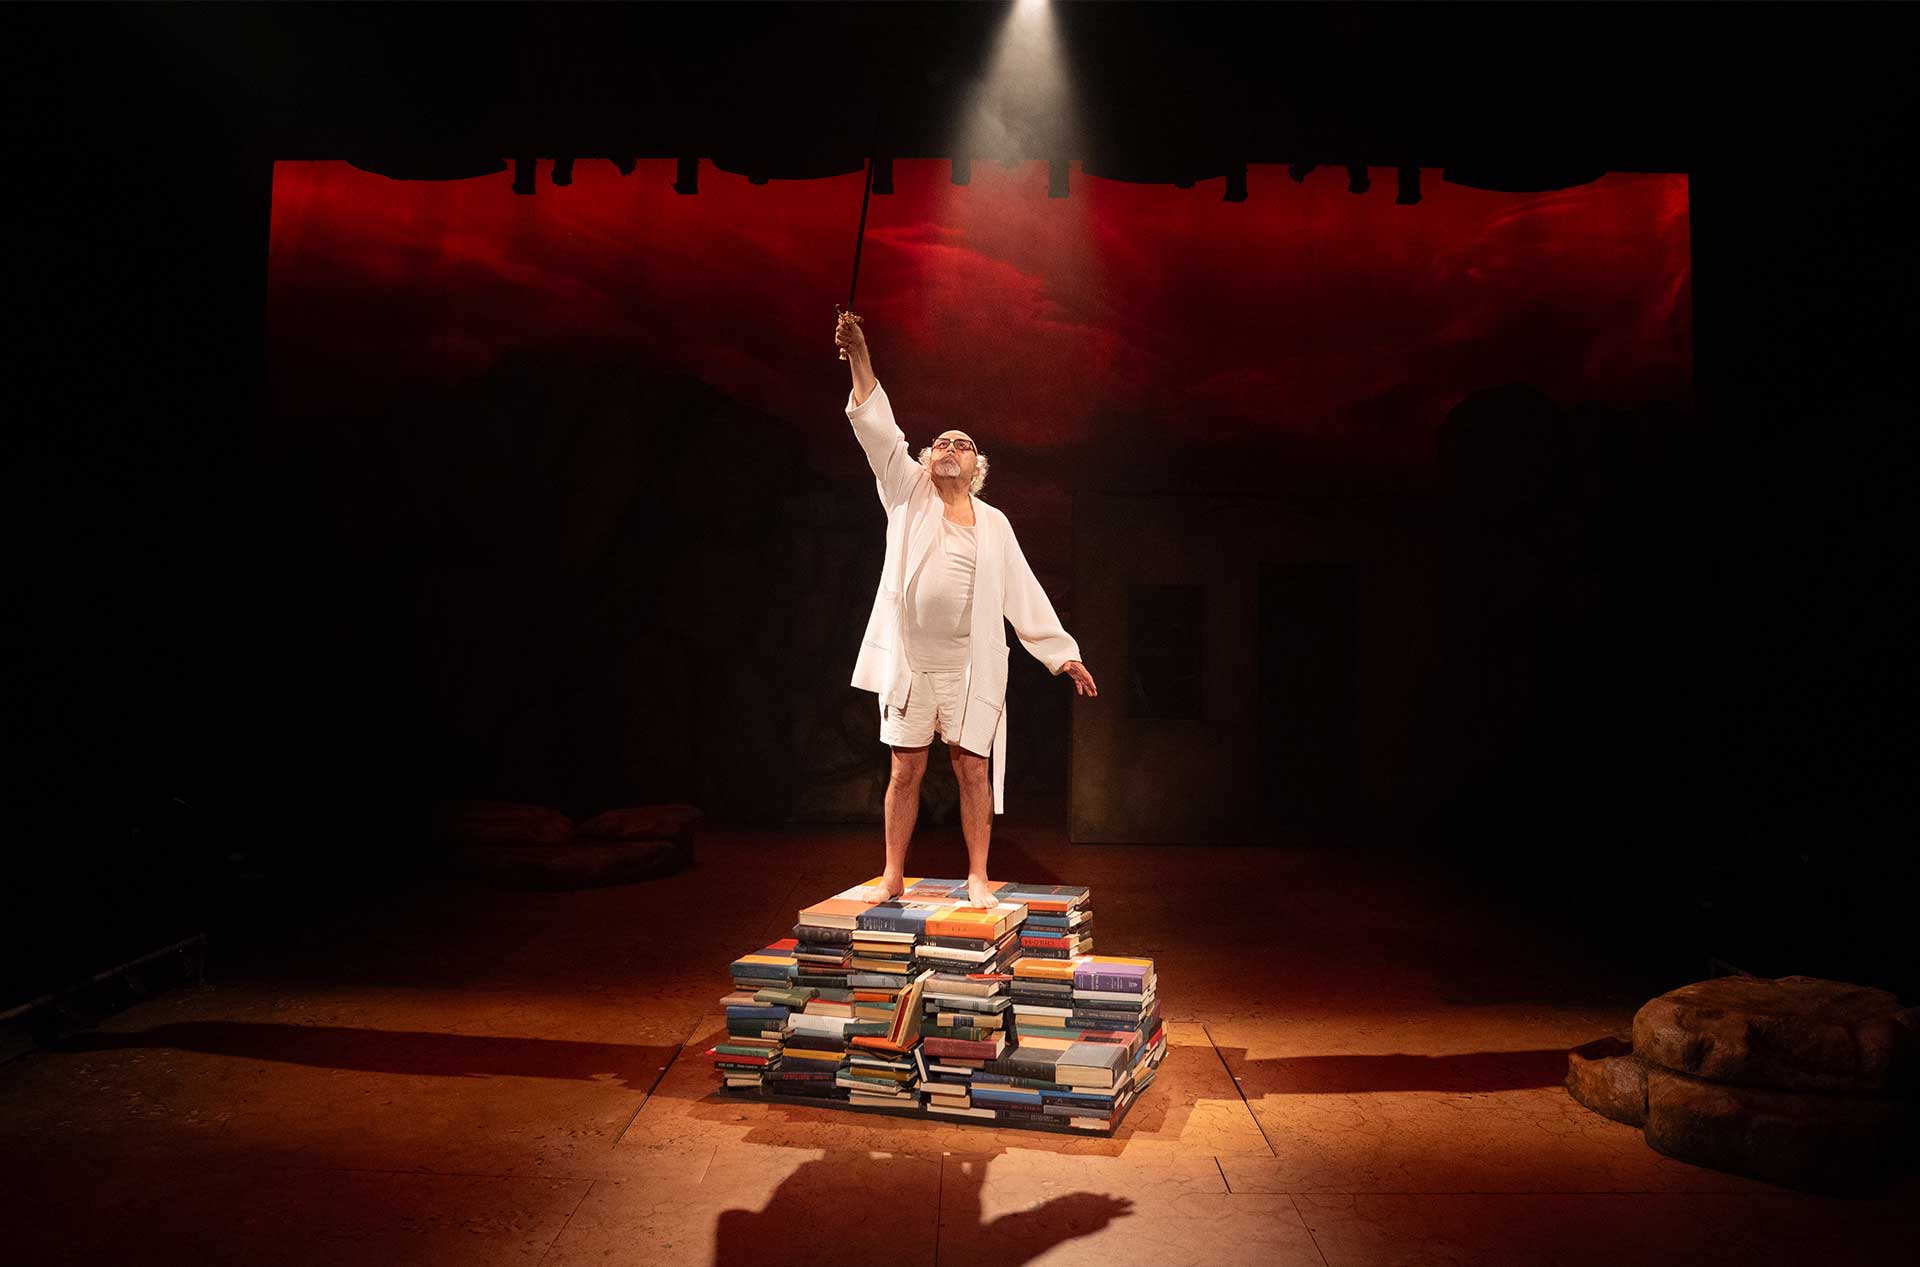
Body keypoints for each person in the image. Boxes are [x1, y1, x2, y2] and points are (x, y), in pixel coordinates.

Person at [835, 310, 1097, 908]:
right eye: (943, 442)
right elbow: (878, 427)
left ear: (976, 469)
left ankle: (978, 874)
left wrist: (1062, 656)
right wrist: (859, 352)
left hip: (969, 667)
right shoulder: (905, 491)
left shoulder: (995, 525)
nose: (951, 447)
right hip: (912, 663)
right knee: (904, 770)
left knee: (970, 770)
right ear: (927, 459)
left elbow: (1023, 592)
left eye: (964, 444)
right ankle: (894, 872)